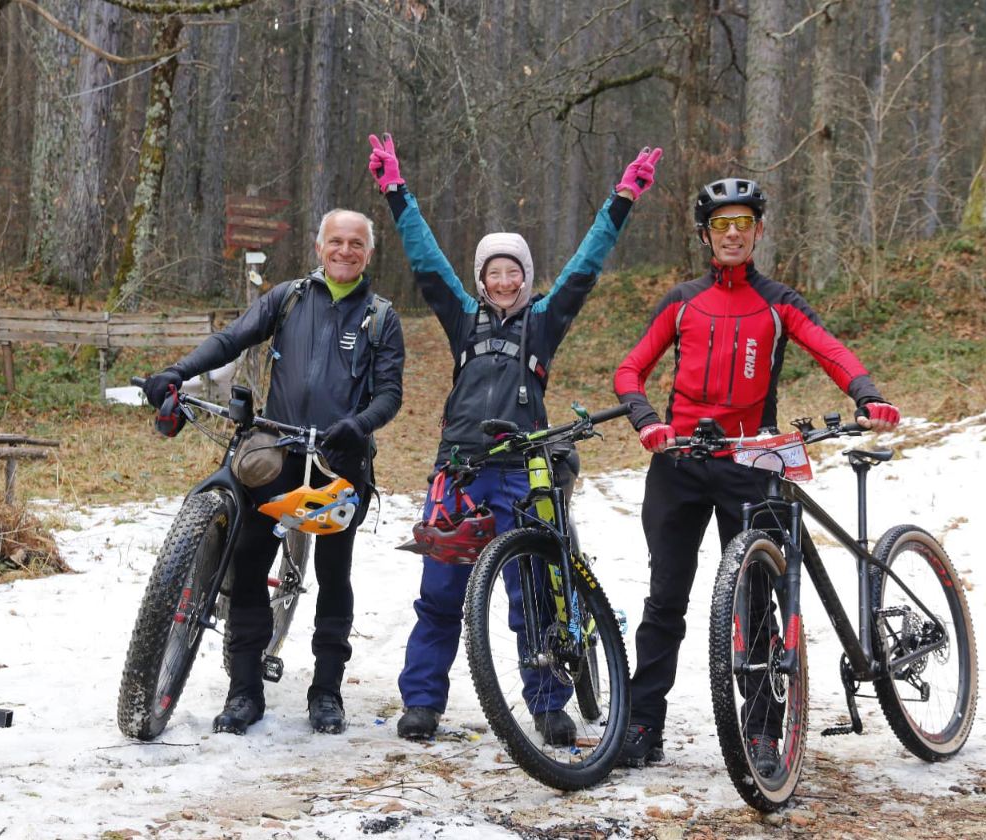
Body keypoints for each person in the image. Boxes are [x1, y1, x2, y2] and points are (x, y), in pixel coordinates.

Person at [367, 132, 661, 743]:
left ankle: (548, 705)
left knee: (532, 597)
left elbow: (584, 267)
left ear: (526, 278)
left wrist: (622, 200)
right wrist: (396, 192)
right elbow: (426, 260)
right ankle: (422, 702)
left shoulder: (542, 323)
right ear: (481, 279)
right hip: (459, 472)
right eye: (494, 273)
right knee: (440, 593)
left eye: (514, 273)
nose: (504, 282)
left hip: (522, 474)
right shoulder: (462, 318)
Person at [613, 177, 900, 771]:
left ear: (759, 231)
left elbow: (830, 349)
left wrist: (866, 394)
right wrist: (646, 420)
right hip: (679, 463)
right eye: (721, 224)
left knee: (759, 602)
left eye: (743, 222)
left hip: (751, 462)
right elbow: (629, 370)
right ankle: (642, 725)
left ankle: (766, 731)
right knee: (665, 600)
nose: (733, 233)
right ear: (705, 235)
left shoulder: (778, 301)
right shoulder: (682, 300)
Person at [142, 209, 405, 736]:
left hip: (338, 461)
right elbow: (231, 339)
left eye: (356, 243)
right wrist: (178, 372)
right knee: (248, 563)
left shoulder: (381, 317)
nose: (345, 250)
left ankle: (326, 692)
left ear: (369, 253)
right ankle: (244, 691)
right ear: (319, 247)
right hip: (276, 453)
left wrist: (359, 425)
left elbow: (390, 393)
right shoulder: (289, 298)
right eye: (336, 241)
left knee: (334, 574)